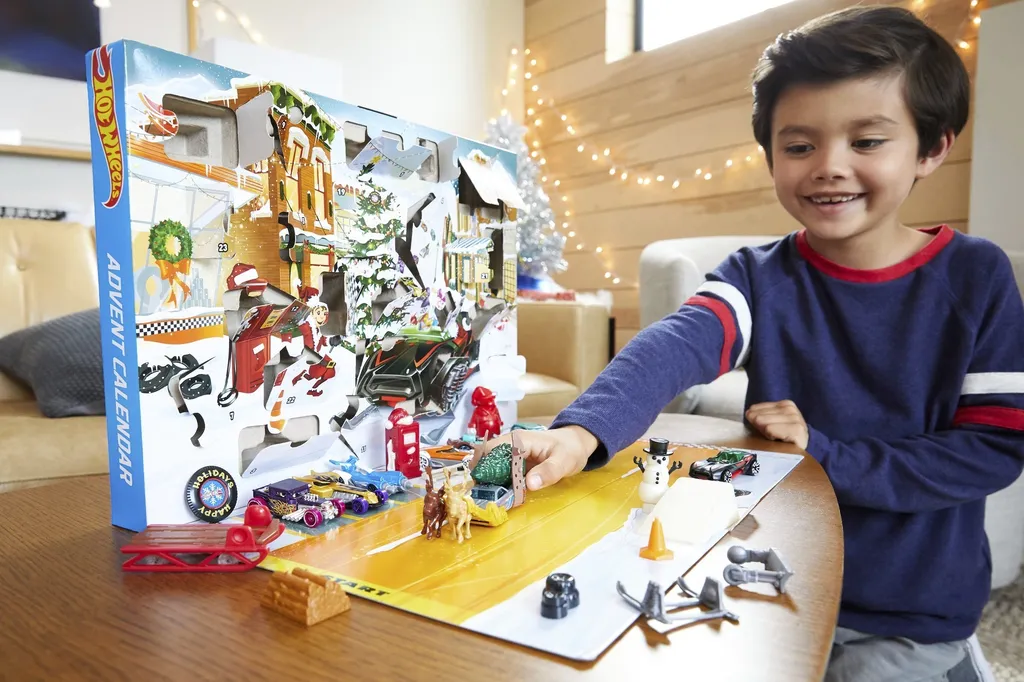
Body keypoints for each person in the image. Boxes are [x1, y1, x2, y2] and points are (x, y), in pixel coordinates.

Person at [490, 6, 1024, 681]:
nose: (829, 167)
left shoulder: (976, 276)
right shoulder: (757, 276)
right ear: (771, 154)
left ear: (931, 148)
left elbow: (992, 449)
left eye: (866, 141)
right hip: (773, 584)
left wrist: (826, 453)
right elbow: (676, 343)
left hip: (909, 610)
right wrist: (581, 432)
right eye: (799, 147)